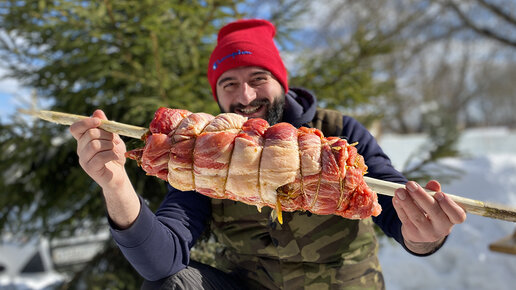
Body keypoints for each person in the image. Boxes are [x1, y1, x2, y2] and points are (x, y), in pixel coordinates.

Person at [70, 19, 466, 289]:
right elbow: (162, 262)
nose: (244, 97)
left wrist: (423, 235)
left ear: (281, 82)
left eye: (258, 79)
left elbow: (395, 205)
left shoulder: (338, 133)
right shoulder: (206, 153)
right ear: (217, 94)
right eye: (229, 84)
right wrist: (115, 183)